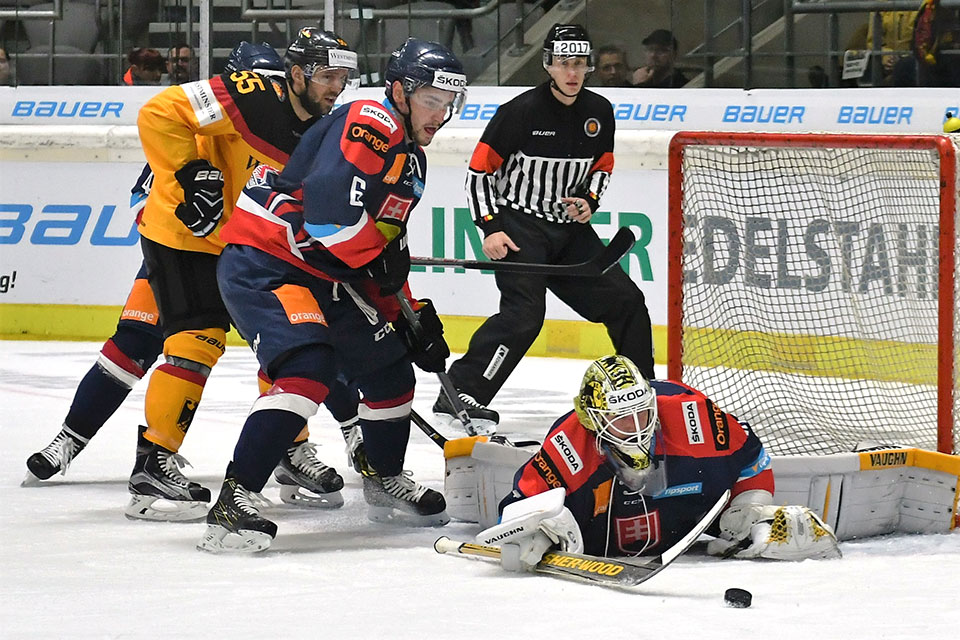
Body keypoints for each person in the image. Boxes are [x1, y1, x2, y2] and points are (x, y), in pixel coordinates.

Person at [24, 38, 364, 514]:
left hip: (246, 248)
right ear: (294, 75)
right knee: (168, 340)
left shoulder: (320, 126)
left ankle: (290, 447)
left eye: (342, 79)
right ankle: (113, 449)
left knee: (291, 341)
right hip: (185, 240)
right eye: (328, 77)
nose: (336, 87)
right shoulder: (239, 99)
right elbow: (156, 129)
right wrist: (191, 177)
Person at [197, 37, 468, 553]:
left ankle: (383, 477)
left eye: (447, 103)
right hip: (268, 261)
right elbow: (328, 218)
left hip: (324, 273)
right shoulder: (371, 120)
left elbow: (384, 252)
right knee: (308, 369)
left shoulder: (413, 162)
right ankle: (234, 501)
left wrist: (407, 316)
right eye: (431, 100)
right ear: (400, 92)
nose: (440, 114)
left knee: (391, 368)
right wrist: (376, 262)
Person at [437, 24, 655, 430]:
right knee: (524, 316)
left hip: (569, 232)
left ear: (588, 66)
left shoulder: (599, 111)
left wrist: (589, 200)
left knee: (627, 302)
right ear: (548, 65)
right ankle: (460, 392)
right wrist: (490, 227)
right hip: (520, 226)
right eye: (563, 63)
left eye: (579, 63)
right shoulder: (519, 112)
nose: (572, 72)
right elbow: (479, 172)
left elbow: (602, 166)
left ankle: (646, 393)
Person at [476, 355, 841, 571]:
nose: (637, 427)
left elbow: (752, 461)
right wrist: (538, 530)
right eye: (622, 419)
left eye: (642, 413)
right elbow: (515, 509)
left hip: (688, 528)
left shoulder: (692, 414)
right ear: (592, 421)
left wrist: (751, 508)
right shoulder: (569, 444)